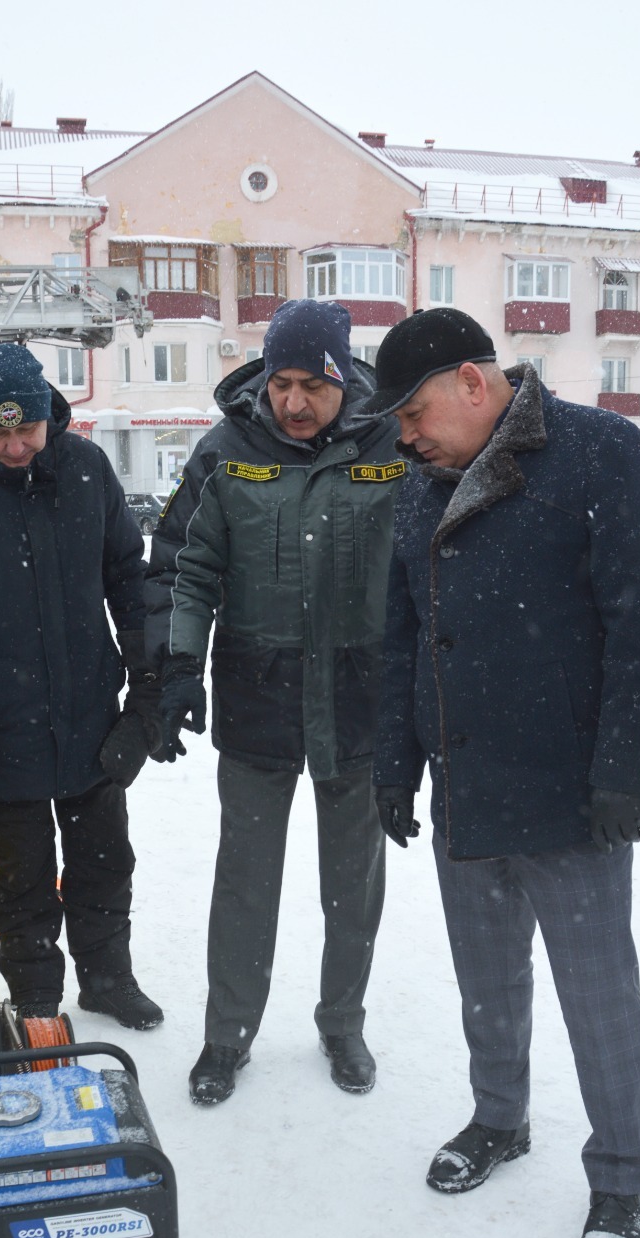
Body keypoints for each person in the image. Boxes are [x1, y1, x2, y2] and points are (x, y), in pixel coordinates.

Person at [366, 307, 640, 1238]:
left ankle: (620, 1176)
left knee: (598, 992)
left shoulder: (599, 454)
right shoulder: (422, 487)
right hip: (466, 780)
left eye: (414, 413)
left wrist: (627, 771)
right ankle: (499, 1119)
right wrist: (395, 764)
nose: (406, 437)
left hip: (571, 795)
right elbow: (401, 635)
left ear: (472, 382)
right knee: (487, 979)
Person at [145, 300, 405, 1103]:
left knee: (353, 885)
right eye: (281, 383)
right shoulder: (226, 451)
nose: (293, 402)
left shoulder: (393, 445)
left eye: (312, 386)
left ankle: (343, 1024)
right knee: (245, 883)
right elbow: (184, 568)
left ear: (344, 379)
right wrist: (178, 665)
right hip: (258, 697)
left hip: (359, 700)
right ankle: (227, 1037)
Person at [0, 342, 165, 1027]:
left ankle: (108, 978)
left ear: (48, 413)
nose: (16, 447)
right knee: (22, 874)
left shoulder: (85, 468)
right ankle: (38, 996)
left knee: (104, 859)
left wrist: (147, 683)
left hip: (90, 709)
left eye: (29, 429)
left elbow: (128, 581)